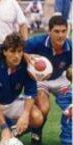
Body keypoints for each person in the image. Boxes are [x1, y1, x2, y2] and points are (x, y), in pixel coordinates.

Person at [0, 33, 43, 145]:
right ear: (4, 52)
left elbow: (30, 94)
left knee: (37, 117)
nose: (16, 55)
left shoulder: (26, 65)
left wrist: (25, 114)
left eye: (19, 51)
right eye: (12, 51)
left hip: (13, 102)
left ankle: (12, 133)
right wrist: (4, 128)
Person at [24, 15, 72, 145]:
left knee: (71, 108)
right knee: (44, 108)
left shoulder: (70, 46)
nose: (60, 35)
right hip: (41, 80)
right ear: (49, 31)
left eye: (63, 31)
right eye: (56, 31)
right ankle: (36, 134)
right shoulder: (37, 42)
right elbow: (17, 49)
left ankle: (68, 139)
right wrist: (25, 55)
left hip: (60, 79)